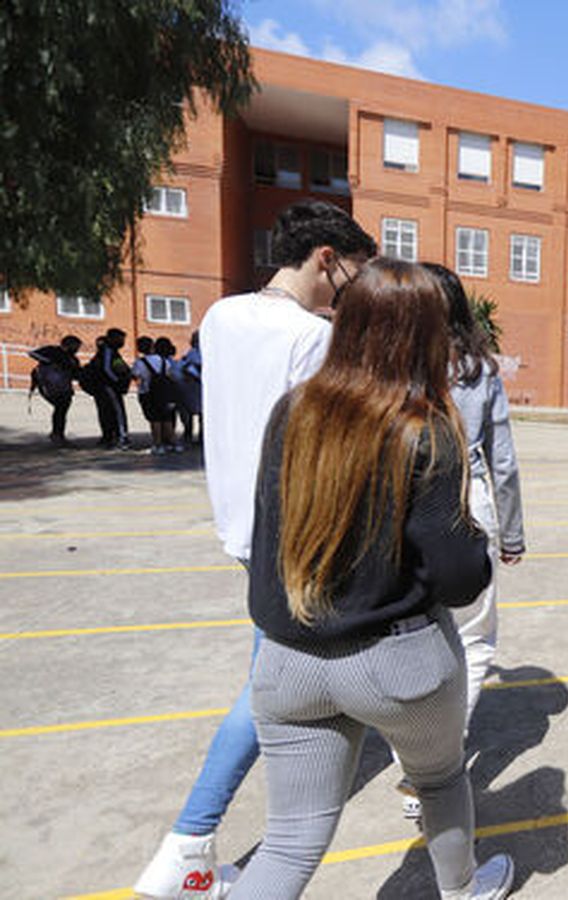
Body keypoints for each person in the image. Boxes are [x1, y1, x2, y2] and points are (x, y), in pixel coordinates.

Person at [229, 259, 512, 900]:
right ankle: (463, 889)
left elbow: (272, 529)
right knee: (439, 780)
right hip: (397, 664)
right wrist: (474, 537)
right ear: (424, 338)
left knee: (289, 841)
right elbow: (460, 577)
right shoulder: (424, 429)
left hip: (289, 660)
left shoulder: (292, 412)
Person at [133, 199, 376, 900]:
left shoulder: (221, 316)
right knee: (268, 688)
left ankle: (197, 842)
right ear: (325, 259)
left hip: (236, 522)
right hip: (294, 532)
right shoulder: (311, 339)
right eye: (352, 275)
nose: (353, 292)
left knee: (272, 678)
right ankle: (189, 840)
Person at [381, 263, 527, 819]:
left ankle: (411, 759)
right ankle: (431, 771)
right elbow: (504, 462)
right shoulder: (477, 370)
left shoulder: (389, 364)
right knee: (474, 642)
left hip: (397, 504)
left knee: (405, 632)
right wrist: (512, 533)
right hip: (466, 501)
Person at [28, 334, 83, 446]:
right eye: (75, 346)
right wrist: (51, 362)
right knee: (60, 408)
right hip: (48, 385)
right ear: (67, 344)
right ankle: (57, 434)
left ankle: (58, 434)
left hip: (64, 387)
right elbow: (32, 353)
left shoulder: (73, 359)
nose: (77, 349)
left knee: (62, 409)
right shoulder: (52, 351)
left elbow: (77, 374)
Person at [133, 336, 182, 454]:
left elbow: (136, 376)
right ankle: (174, 443)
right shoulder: (163, 361)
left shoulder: (140, 362)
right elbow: (170, 374)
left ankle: (158, 444)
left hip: (148, 393)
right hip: (164, 394)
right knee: (167, 419)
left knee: (154, 420)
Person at [85, 328, 133, 449]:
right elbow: (107, 369)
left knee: (105, 412)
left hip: (103, 387)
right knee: (117, 412)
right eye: (120, 339)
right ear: (112, 338)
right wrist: (117, 381)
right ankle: (121, 438)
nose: (122, 342)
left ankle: (108, 437)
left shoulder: (106, 351)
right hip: (109, 387)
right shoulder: (108, 351)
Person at [178, 331, 203, 446]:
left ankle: (190, 435)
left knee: (190, 413)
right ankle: (200, 436)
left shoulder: (192, 353)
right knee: (199, 413)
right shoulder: (195, 352)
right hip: (196, 385)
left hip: (193, 385)